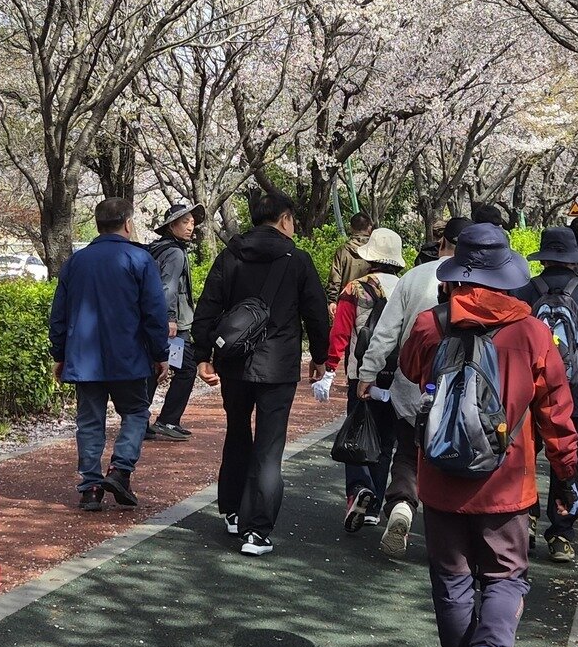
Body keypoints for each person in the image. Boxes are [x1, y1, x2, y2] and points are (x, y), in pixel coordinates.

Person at [397, 223, 578, 647]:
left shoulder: (430, 324)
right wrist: (565, 476)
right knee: (504, 575)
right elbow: (557, 415)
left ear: (456, 274)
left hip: (440, 478)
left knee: (452, 579)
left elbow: (411, 370)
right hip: (508, 484)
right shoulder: (533, 333)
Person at [193, 191, 330, 556]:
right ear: (285, 219)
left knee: (236, 432)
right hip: (278, 365)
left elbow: (207, 306)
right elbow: (316, 313)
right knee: (269, 448)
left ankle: (233, 512)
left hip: (234, 363)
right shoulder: (298, 260)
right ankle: (258, 533)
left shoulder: (230, 255)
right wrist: (320, 357)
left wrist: (202, 355)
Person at [357, 217, 493, 559]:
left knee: (406, 452)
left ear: (442, 241)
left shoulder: (414, 278)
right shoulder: (486, 283)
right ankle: (452, 537)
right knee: (457, 458)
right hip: (468, 391)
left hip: (414, 382)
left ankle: (402, 503)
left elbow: (386, 332)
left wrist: (367, 373)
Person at [49, 198, 170, 512]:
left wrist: (59, 353)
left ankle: (90, 488)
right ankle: (120, 470)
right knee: (136, 413)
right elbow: (154, 313)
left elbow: (59, 314)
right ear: (128, 223)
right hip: (129, 357)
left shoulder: (75, 263)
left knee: (89, 422)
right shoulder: (140, 260)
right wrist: (161, 353)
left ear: (98, 224)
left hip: (84, 360)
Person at [518, 226, 578, 563]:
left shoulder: (525, 292)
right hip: (573, 393)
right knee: (569, 459)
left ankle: (525, 518)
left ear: (543, 257)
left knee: (525, 457)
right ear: (573, 258)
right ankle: (561, 532)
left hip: (528, 394)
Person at [322, 227, 407, 532]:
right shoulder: (405, 288)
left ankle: (359, 488)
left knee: (356, 433)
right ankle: (376, 506)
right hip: (397, 374)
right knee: (386, 441)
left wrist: (331, 367)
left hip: (362, 374)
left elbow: (341, 332)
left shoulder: (355, 289)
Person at [145, 202, 206, 442]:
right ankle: (168, 419)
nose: (191, 227)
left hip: (162, 321)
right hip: (175, 326)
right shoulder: (175, 253)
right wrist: (170, 319)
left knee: (155, 370)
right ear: (172, 225)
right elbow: (167, 289)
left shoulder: (158, 249)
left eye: (192, 222)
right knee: (187, 369)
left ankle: (139, 421)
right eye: (185, 222)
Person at [327, 212, 375, 310]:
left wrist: (332, 301)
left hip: (346, 304)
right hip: (371, 305)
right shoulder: (376, 251)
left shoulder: (343, 251)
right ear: (369, 228)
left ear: (351, 228)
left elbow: (335, 279)